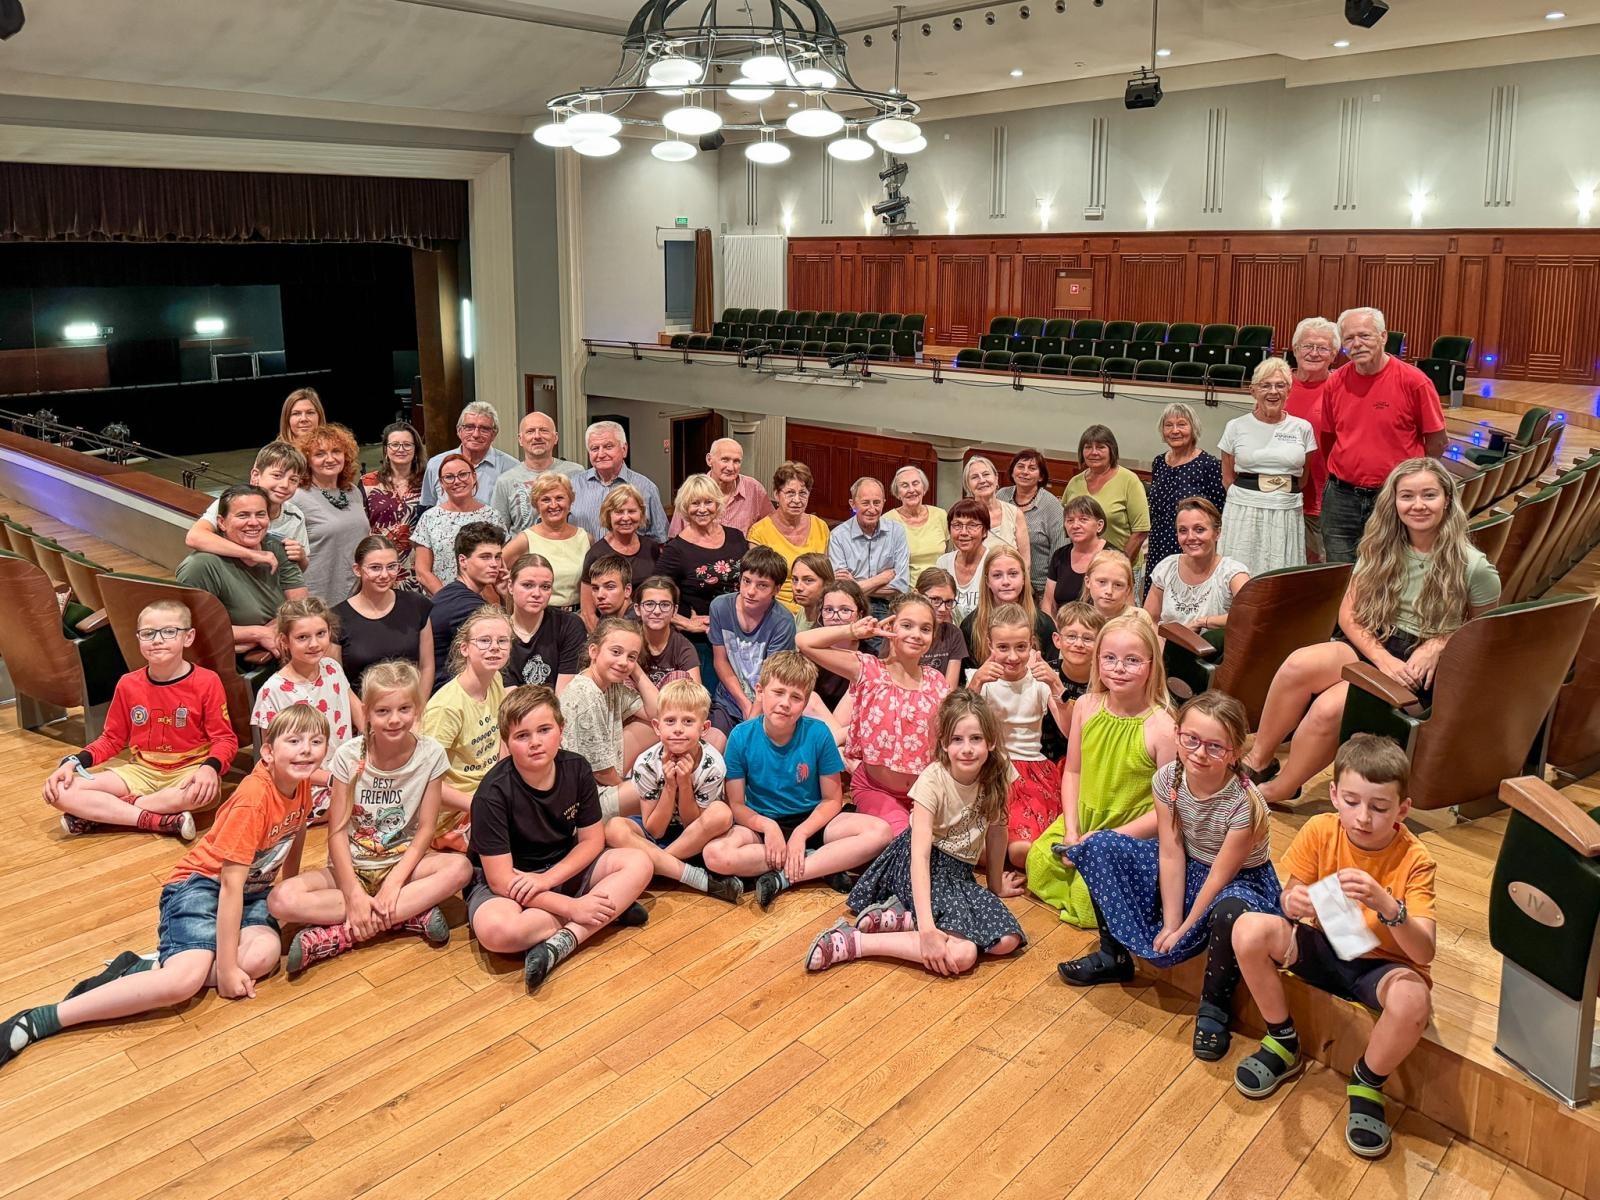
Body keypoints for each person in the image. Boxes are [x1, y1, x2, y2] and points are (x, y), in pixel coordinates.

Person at [0, 707, 329, 1073]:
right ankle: (41, 1019)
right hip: (201, 886)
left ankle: (148, 967)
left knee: (262, 959)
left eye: (316, 742)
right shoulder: (254, 799)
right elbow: (228, 889)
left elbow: (294, 832)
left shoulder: (300, 784)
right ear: (267, 752)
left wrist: (288, 886)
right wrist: (228, 967)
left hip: (251, 893)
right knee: (183, 984)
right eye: (295, 741)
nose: (305, 750)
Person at [1239, 459, 1500, 805]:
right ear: (1393, 502)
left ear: (1448, 500)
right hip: (1375, 642)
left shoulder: (1474, 565)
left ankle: (1282, 788)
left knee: (1331, 708)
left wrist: (1438, 644)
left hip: (1418, 666)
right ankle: (1258, 760)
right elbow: (1348, 612)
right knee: (1298, 664)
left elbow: (1485, 631)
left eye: (1429, 495)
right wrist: (1380, 656)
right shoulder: (1380, 545)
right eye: (1407, 496)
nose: (1418, 505)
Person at [1230, 734, 1437, 1160]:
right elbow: (1290, 897)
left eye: (1379, 808)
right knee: (1248, 929)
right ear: (1334, 795)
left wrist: (1387, 906)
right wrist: (1293, 901)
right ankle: (1283, 1039)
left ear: (1403, 810)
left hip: (1379, 967)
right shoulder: (1320, 829)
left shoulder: (1416, 859)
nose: (1363, 818)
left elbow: (1424, 953)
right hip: (1325, 945)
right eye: (1352, 801)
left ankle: (1367, 1080)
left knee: (1414, 999)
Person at [1058, 692, 1283, 1062]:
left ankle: (1214, 1007)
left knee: (1230, 910)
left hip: (1236, 880)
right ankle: (1112, 955)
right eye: (1190, 739)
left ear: (1234, 752)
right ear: (1177, 734)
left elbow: (1219, 877)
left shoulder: (1245, 804)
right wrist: (1172, 918)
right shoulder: (1167, 779)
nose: (1198, 753)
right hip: (1189, 865)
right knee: (1099, 847)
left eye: (1214, 746)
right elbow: (1171, 849)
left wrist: (1181, 929)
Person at [269, 660, 472, 972]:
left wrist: (393, 882)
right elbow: (336, 832)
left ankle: (341, 935)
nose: (394, 720)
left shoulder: (431, 755)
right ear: (366, 712)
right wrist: (352, 894)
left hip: (403, 863)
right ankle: (407, 915)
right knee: (281, 899)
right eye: (382, 711)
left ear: (417, 709)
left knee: (460, 868)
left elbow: (425, 830)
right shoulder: (350, 756)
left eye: (404, 709)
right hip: (351, 866)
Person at [806, 690, 1026, 974]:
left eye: (976, 739)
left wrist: (995, 884)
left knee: (1007, 939)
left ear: (991, 742)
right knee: (962, 954)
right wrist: (928, 930)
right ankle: (854, 941)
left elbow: (998, 829)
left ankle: (902, 917)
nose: (967, 748)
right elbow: (918, 856)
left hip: (957, 873)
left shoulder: (998, 771)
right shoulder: (932, 781)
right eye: (957, 739)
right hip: (919, 864)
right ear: (944, 744)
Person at [465, 685, 653, 991]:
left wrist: (548, 880)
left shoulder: (576, 768)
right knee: (498, 932)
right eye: (522, 735)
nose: (535, 743)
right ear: (507, 742)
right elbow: (499, 881)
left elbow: (592, 841)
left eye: (544, 730)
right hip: (509, 883)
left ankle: (566, 939)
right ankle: (605, 911)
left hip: (561, 867)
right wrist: (572, 908)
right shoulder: (491, 795)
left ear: (561, 730)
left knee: (640, 862)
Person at [702, 651, 893, 908]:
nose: (785, 703)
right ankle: (821, 862)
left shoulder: (819, 733)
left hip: (814, 821)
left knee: (880, 833)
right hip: (762, 825)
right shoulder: (740, 736)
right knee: (715, 855)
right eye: (778, 692)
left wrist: (802, 833)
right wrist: (768, 827)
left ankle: (785, 875)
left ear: (805, 704)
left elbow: (832, 799)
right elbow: (736, 804)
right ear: (760, 691)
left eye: (795, 697)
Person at [1025, 613, 1178, 926]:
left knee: (1086, 895)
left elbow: (1170, 809)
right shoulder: (1086, 705)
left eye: (1132, 660)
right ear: (1097, 660)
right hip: (1085, 819)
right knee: (1037, 862)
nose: (1119, 668)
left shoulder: (1163, 727)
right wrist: (1071, 829)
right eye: (1109, 658)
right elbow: (1074, 772)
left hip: (1129, 830)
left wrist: (1105, 838)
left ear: (1152, 664)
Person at [43, 599, 237, 840]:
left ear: (188, 637)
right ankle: (157, 820)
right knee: (60, 791)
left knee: (201, 794)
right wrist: (73, 762)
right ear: (138, 639)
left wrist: (210, 769)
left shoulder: (207, 681)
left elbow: (225, 739)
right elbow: (112, 739)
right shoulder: (128, 684)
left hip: (189, 772)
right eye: (148, 633)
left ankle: (103, 812)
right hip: (141, 771)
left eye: (169, 632)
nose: (157, 640)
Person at [798, 592, 949, 836]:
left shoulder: (936, 681)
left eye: (925, 629)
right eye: (907, 625)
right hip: (878, 790)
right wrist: (852, 632)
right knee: (905, 843)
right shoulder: (868, 669)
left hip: (925, 793)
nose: (916, 634)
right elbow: (804, 641)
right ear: (890, 626)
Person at [1321, 307, 1448, 564]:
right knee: (1338, 573)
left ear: (1383, 337)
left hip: (1392, 496)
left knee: (1391, 570)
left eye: (1365, 336)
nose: (1357, 344)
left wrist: (1409, 481)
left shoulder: (1415, 382)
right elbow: (1328, 438)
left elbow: (1437, 441)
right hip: (1341, 498)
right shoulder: (1335, 382)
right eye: (1349, 338)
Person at [603, 679, 744, 903]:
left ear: (704, 728)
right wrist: (670, 785)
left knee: (721, 813)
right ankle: (693, 876)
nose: (678, 729)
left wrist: (685, 783)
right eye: (670, 721)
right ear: (658, 727)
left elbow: (693, 825)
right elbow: (655, 830)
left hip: (694, 838)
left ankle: (660, 866)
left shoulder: (713, 765)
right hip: (658, 831)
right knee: (614, 827)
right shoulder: (646, 763)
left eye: (688, 721)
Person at [970, 603, 1071, 879]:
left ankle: (1018, 858)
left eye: (1021, 647)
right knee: (971, 848)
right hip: (990, 770)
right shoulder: (982, 681)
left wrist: (1057, 686)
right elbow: (959, 724)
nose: (1013, 657)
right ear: (989, 645)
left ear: (1032, 646)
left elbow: (1070, 731)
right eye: (1003, 648)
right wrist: (976, 685)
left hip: (1032, 772)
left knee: (1020, 850)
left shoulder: (1039, 682)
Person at [251, 597, 359, 820]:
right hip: (303, 784)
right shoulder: (274, 691)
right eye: (302, 637)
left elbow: (361, 714)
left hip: (344, 773)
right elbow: (276, 761)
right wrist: (332, 779)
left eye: (321, 634)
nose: (314, 644)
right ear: (284, 640)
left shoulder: (332, 669)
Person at [176, 484, 307, 665]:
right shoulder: (200, 566)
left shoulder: (278, 548)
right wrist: (258, 634)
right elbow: (191, 629)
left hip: (282, 654)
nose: (254, 522)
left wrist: (276, 627)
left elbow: (301, 606)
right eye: (243, 515)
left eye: (260, 514)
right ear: (221, 522)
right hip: (231, 666)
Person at [1218, 358, 1319, 576]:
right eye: (1265, 385)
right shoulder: (1235, 427)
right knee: (1240, 571)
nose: (1273, 391)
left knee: (1281, 572)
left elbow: (1302, 479)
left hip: (1285, 510)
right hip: (1243, 510)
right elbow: (1227, 477)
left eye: (1280, 385)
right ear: (1253, 391)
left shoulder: (1303, 428)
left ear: (1288, 391)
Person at [422, 605, 510, 849]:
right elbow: (425, 779)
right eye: (484, 641)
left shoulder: (496, 680)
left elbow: (500, 740)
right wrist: (480, 804)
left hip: (489, 793)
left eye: (503, 641)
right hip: (453, 812)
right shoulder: (446, 708)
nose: (495, 647)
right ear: (464, 648)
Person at [559, 617, 659, 819]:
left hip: (604, 777)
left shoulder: (611, 686)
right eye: (616, 652)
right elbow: (601, 773)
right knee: (657, 784)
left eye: (632, 656)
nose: (623, 662)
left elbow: (658, 714)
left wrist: (634, 670)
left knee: (655, 728)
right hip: (580, 801)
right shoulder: (585, 695)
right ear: (593, 651)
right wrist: (624, 787)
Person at [658, 473, 749, 679]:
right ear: (684, 508)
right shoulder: (676, 549)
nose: (702, 509)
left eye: (708, 502)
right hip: (702, 641)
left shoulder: (736, 537)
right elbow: (652, 594)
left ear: (717, 504)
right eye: (694, 503)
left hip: (740, 632)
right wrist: (684, 622)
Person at [707, 546, 797, 743]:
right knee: (712, 750)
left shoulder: (783, 621)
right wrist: (744, 703)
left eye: (762, 586)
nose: (750, 591)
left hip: (767, 703)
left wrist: (754, 711)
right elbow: (720, 661)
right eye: (746, 581)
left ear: (777, 589)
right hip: (729, 699)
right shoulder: (720, 607)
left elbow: (772, 677)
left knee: (754, 753)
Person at [332, 535, 435, 697]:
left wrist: (417, 710)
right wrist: (363, 717)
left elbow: (427, 667)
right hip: (361, 713)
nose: (385, 575)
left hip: (411, 711)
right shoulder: (336, 617)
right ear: (357, 570)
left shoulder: (417, 605)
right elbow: (336, 679)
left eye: (391, 566)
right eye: (375, 568)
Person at [186, 441, 309, 571]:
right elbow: (194, 537)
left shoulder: (295, 516)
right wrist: (253, 554)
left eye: (293, 480)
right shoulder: (232, 502)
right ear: (256, 475)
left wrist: (301, 557)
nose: (285, 484)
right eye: (277, 475)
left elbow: (302, 568)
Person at [1143, 498, 1250, 632]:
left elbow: (1251, 614)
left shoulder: (1232, 572)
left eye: (1199, 530)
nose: (1191, 537)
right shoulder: (1166, 567)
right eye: (1183, 531)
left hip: (1214, 651)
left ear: (1217, 533)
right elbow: (1149, 620)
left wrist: (1204, 622)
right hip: (1165, 647)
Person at [296, 423, 371, 604]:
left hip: (358, 595)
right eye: (320, 454)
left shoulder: (353, 491)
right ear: (307, 460)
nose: (329, 459)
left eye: (336, 451)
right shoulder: (297, 497)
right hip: (318, 598)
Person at [1146, 404, 1227, 570]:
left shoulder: (1208, 464)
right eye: (1168, 425)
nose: (1175, 431)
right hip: (1158, 545)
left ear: (1193, 428)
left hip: (1192, 545)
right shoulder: (1159, 463)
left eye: (1182, 424)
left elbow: (1219, 513)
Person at [1063, 425, 1151, 578]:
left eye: (1101, 447)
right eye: (1088, 447)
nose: (1094, 452)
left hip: (1121, 566)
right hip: (1081, 565)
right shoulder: (1074, 483)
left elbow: (1141, 530)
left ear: (1112, 450)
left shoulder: (1129, 480)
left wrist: (1120, 564)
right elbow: (1067, 523)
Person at [746, 461, 831, 613]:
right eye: (790, 493)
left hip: (817, 608)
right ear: (777, 494)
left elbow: (827, 577)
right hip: (775, 609)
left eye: (803, 493)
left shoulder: (821, 527)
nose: (797, 500)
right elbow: (759, 583)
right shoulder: (759, 532)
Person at [413, 453, 504, 594]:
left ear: (474, 477)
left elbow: (501, 562)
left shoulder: (492, 516)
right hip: (443, 602)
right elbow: (422, 571)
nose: (457, 481)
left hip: (485, 603)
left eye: (463, 474)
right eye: (449, 477)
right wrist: (449, 600)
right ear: (441, 483)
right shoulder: (429, 518)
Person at [1287, 317, 1339, 562]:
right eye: (1307, 346)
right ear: (1295, 349)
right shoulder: (1278, 385)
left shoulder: (1342, 387)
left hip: (1326, 501)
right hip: (1282, 498)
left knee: (1321, 572)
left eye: (1322, 348)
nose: (1314, 353)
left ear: (1334, 354)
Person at [500, 472, 590, 613]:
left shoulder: (586, 538)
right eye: (546, 500)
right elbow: (492, 573)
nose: (553, 505)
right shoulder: (525, 539)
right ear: (536, 505)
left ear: (570, 502)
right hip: (538, 617)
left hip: (578, 619)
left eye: (559, 498)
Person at [960, 546, 1058, 672]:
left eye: (1013, 574)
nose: (1005, 582)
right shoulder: (971, 626)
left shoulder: (1044, 624)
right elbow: (967, 682)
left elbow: (1052, 675)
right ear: (987, 581)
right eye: (997, 575)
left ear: (1023, 578)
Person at [426, 522, 506, 678]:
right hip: (446, 690)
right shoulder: (467, 606)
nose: (494, 564)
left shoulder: (451, 593)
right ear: (463, 561)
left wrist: (504, 595)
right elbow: (505, 646)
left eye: (497, 557)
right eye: (485, 557)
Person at [569, 420, 669, 542]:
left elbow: (660, 539)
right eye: (594, 448)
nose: (601, 454)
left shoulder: (646, 488)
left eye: (608, 446)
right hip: (583, 560)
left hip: (630, 560)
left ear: (624, 449)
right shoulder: (573, 486)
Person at [828, 476, 910, 620]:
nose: (872, 509)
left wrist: (855, 585)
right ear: (853, 504)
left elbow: (901, 585)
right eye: (865, 503)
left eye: (877, 502)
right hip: (849, 605)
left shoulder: (897, 532)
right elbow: (841, 588)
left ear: (884, 503)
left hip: (888, 606)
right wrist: (881, 578)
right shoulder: (838, 536)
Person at [490, 410, 583, 533]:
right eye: (530, 431)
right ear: (520, 439)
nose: (537, 436)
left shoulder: (576, 473)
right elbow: (497, 532)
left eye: (544, 430)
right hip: (522, 551)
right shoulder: (505, 480)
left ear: (555, 438)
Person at [579, 484, 660, 625]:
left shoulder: (651, 547)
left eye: (632, 511)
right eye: (619, 512)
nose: (626, 518)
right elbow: (588, 613)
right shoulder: (596, 553)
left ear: (641, 513)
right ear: (608, 515)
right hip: (610, 631)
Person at [503, 553, 585, 690]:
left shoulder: (569, 624)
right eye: (528, 585)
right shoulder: (497, 632)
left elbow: (564, 694)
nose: (536, 594)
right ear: (510, 586)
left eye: (545, 587)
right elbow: (510, 699)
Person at [362, 422, 426, 591]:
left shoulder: (428, 482)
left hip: (419, 567)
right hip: (380, 568)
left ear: (416, 449)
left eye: (407, 444)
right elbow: (361, 525)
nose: (401, 449)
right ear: (385, 450)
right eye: (395, 444)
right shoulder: (368, 482)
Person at [420, 400, 520, 508]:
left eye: (484, 429)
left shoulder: (512, 468)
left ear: (494, 434)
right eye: (469, 427)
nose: (476, 434)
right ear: (459, 431)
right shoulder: (436, 464)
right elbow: (427, 507)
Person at [1042, 601, 1106, 763]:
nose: (1078, 644)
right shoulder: (1045, 674)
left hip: (1087, 761)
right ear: (1057, 640)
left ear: (1099, 645)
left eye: (1088, 638)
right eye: (1071, 636)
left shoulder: (1105, 682)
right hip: (1045, 761)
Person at [668, 437, 772, 535]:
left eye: (736, 461)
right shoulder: (690, 490)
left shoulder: (754, 489)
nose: (731, 468)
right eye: (725, 460)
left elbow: (772, 528)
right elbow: (675, 537)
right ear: (709, 460)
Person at [998, 450, 1065, 600]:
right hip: (1002, 584)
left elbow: (1059, 552)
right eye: (1020, 466)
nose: (1025, 472)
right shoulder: (1001, 496)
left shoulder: (1051, 506)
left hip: (1038, 590)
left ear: (1041, 476)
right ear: (1013, 471)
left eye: (1032, 468)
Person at [1042, 495, 1116, 617]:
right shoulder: (1059, 556)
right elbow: (1048, 604)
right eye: (1070, 520)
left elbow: (1125, 608)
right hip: (1062, 630)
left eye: (1083, 519)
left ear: (1099, 525)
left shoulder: (1115, 557)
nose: (1075, 525)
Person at [884, 465, 950, 579]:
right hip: (906, 592)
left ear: (923, 488)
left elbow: (949, 555)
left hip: (940, 587)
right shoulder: (887, 521)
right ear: (897, 493)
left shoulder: (941, 515)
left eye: (915, 483)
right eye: (904, 486)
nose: (911, 490)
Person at [962, 455, 1032, 563]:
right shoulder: (963, 516)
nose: (982, 480)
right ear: (968, 485)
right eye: (975, 477)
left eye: (986, 474)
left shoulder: (1015, 514)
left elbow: (1025, 562)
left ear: (996, 478)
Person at [907, 566, 968, 688]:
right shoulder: (903, 631)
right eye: (935, 599)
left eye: (949, 602)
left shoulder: (954, 634)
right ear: (916, 594)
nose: (942, 609)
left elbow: (949, 689)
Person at [634, 575, 700, 687]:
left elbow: (696, 698)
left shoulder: (683, 648)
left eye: (665, 605)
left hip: (670, 703)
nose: (657, 611)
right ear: (637, 609)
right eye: (649, 604)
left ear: (675, 610)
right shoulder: (627, 638)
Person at [936, 498, 993, 623]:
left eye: (972, 525)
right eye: (957, 525)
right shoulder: (943, 563)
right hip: (951, 638)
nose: (963, 532)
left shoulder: (993, 563)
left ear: (985, 531)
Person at [1083, 548, 1136, 621]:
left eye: (1118, 585)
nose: (1109, 591)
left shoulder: (1139, 618)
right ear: (1088, 582)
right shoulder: (1078, 619)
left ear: (1127, 589)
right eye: (1102, 582)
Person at [790, 551, 835, 633]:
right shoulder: (802, 612)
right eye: (795, 580)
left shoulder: (832, 621)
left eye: (808, 580)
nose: (798, 587)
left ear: (827, 583)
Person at [279, 387, 325, 453]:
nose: (304, 419)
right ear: (287, 419)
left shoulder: (336, 448)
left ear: (319, 416)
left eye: (310, 412)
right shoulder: (274, 455)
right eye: (296, 413)